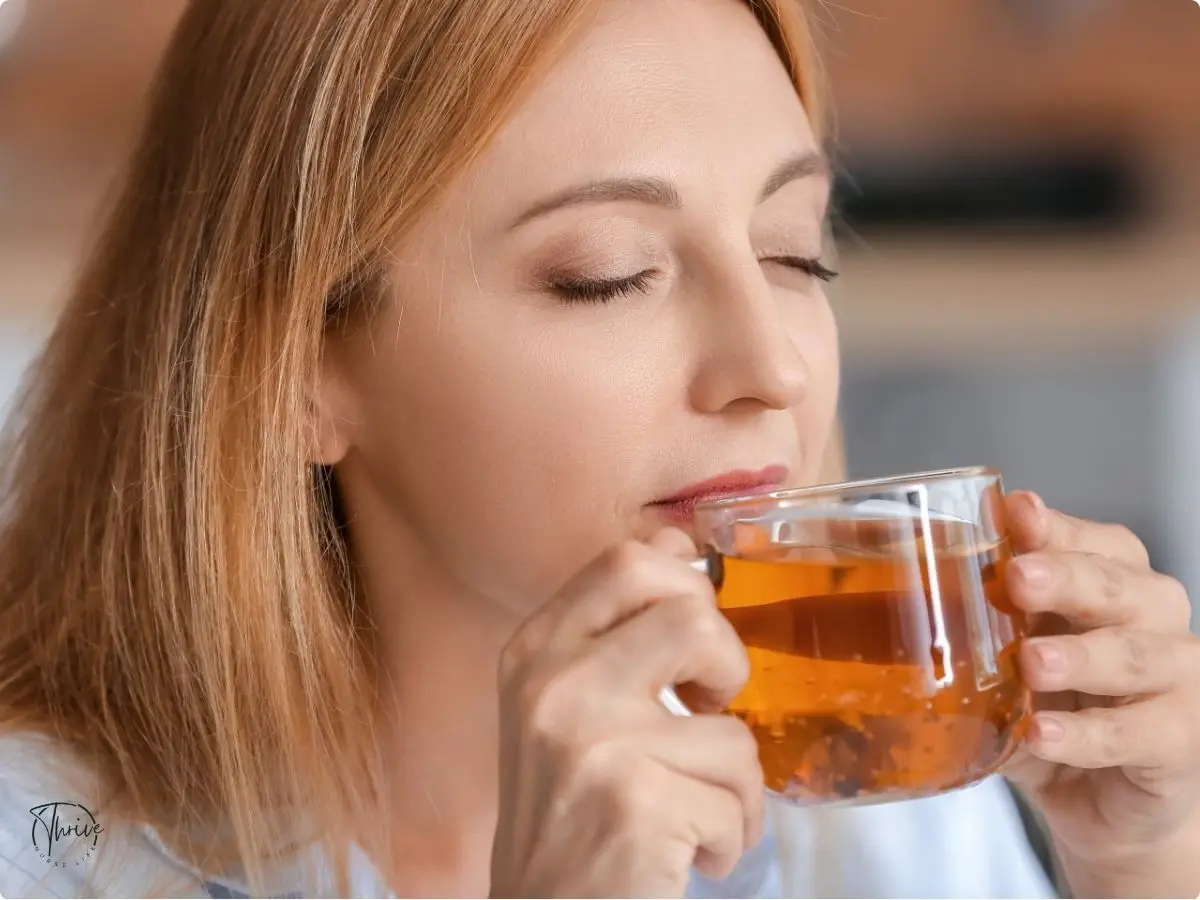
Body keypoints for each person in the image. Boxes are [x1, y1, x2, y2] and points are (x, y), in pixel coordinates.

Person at [0, 0, 1197, 896]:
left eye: (793, 253)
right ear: (297, 366)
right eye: (607, 277)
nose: (773, 369)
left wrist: (1144, 867)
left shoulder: (866, 788)